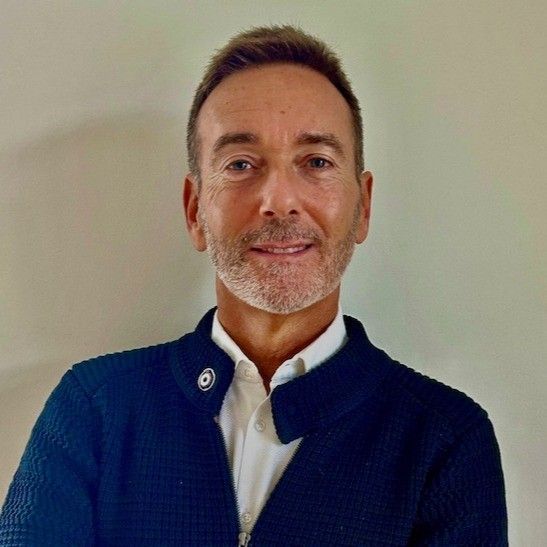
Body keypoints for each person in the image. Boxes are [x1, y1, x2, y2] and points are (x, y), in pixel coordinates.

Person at [0, 25, 507, 546]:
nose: (278, 200)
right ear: (195, 212)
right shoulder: (96, 409)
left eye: (317, 162)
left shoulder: (445, 442)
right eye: (240, 164)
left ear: (363, 208)